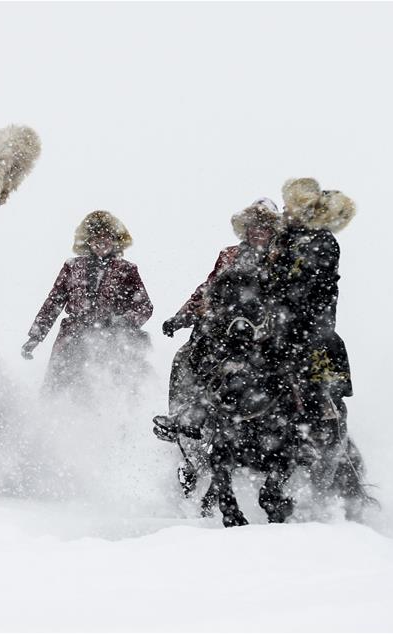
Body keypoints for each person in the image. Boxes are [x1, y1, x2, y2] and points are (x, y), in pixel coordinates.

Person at [155, 199, 282, 499]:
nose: (258, 232)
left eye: (265, 227)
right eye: (254, 226)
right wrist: (182, 316)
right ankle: (183, 417)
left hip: (263, 330)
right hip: (223, 328)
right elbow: (206, 289)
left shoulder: (282, 258)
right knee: (185, 356)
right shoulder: (229, 255)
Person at [269, 177, 367, 511]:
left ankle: (314, 441)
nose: (284, 211)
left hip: (311, 331)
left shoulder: (322, 242)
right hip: (275, 327)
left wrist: (286, 310)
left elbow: (308, 286)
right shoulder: (281, 238)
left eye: (289, 206)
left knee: (313, 389)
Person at [21, 211, 153, 397]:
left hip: (109, 341)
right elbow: (53, 302)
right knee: (58, 392)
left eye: (106, 237)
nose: (101, 242)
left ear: (114, 240)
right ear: (88, 241)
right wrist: (36, 336)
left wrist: (122, 322)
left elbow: (144, 306)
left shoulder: (127, 270)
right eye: (95, 238)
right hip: (71, 338)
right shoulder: (72, 266)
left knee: (104, 394)